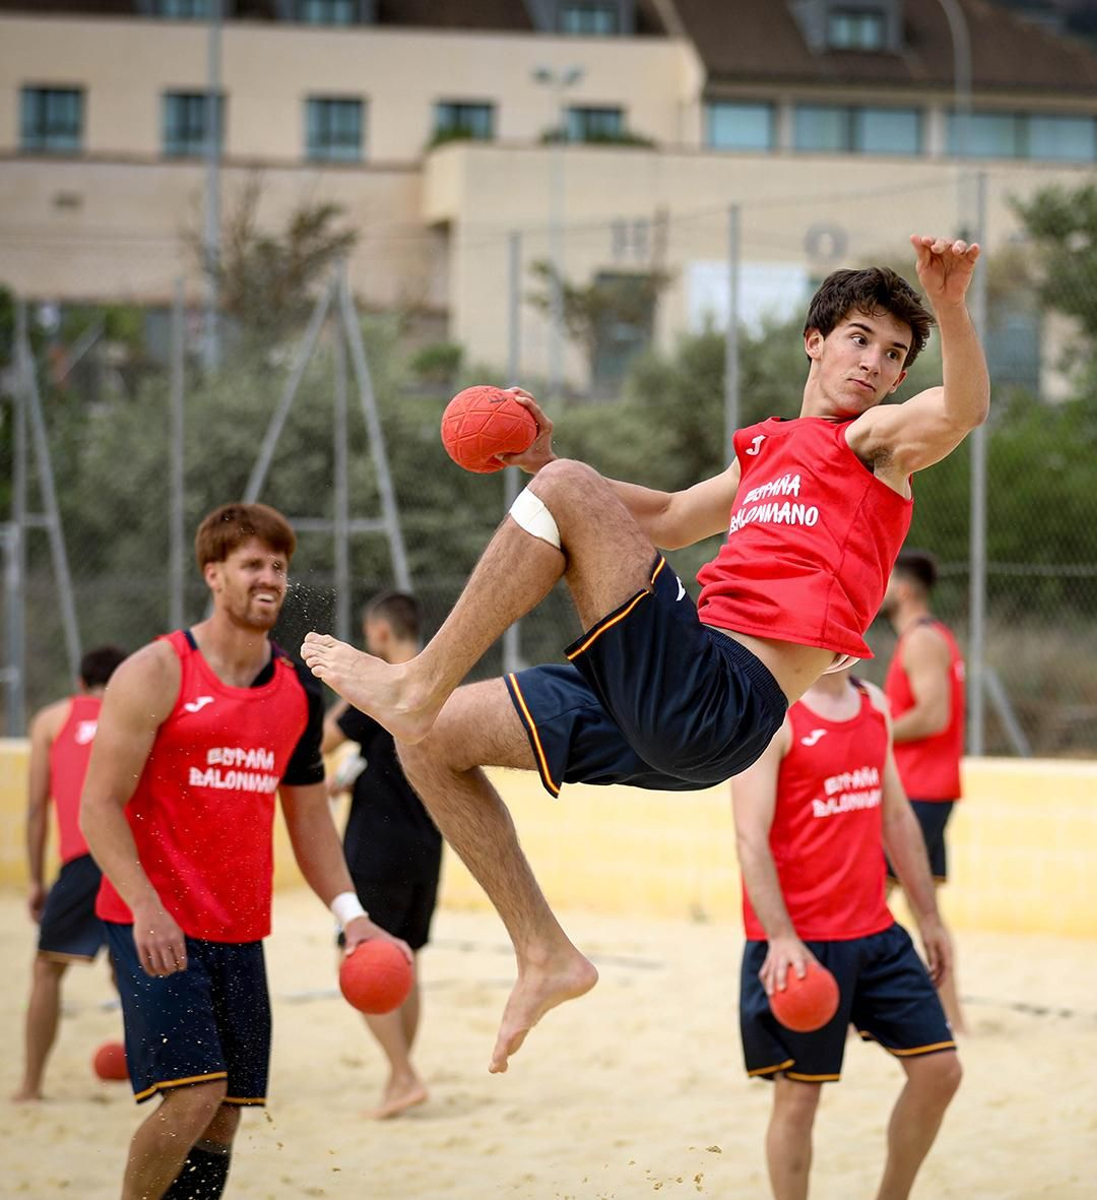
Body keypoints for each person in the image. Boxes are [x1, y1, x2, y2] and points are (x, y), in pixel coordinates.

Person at [301, 235, 989, 1073]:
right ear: (815, 339)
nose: (876, 363)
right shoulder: (770, 451)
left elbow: (960, 411)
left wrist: (949, 308)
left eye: (894, 355)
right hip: (672, 711)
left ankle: (417, 680)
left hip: (724, 696)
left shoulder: (873, 444)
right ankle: (545, 952)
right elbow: (662, 517)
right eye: (860, 338)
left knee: (559, 502)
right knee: (428, 744)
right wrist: (546, 464)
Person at [79, 503, 410, 1200]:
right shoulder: (157, 671)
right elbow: (98, 804)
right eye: (252, 565)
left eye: (280, 567)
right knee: (195, 1096)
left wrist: (353, 916)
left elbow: (310, 819)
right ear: (214, 574)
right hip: (154, 922)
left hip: (237, 924)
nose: (270, 578)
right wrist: (145, 906)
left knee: (226, 1114)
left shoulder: (293, 688)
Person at [732, 670, 960, 1200]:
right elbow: (749, 838)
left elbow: (897, 816)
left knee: (940, 1071)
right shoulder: (773, 713)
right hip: (800, 943)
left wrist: (929, 916)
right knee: (799, 1099)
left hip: (875, 931)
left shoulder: (872, 702)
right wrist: (782, 938)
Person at [321, 590, 442, 1120]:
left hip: (378, 844)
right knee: (405, 959)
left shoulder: (378, 683)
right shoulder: (442, 679)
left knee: (359, 954)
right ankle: (402, 1073)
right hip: (430, 840)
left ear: (381, 634)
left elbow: (321, 740)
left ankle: (401, 1072)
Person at [12, 644, 128, 1103]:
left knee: (46, 971)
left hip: (81, 858)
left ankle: (30, 1085)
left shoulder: (51, 720)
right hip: (129, 856)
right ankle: (159, 1075)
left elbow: (37, 809)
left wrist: (38, 880)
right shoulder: (141, 715)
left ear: (80, 683)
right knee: (136, 972)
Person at [881, 549, 967, 1034]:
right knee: (924, 910)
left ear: (906, 589)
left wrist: (871, 730)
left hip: (918, 794)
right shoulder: (928, 639)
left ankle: (850, 1015)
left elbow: (933, 716)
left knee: (866, 901)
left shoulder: (920, 641)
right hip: (928, 791)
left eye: (886, 578)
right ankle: (954, 1021)